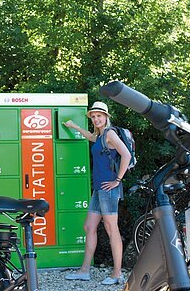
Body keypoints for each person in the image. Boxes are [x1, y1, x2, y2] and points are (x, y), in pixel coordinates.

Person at [63, 101, 131, 285]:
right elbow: (91, 138)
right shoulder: (100, 136)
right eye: (93, 116)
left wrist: (117, 180)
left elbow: (126, 155)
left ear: (106, 116)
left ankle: (117, 274)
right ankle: (84, 271)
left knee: (111, 229)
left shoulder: (110, 133)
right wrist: (74, 126)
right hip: (99, 188)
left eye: (99, 116)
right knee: (89, 227)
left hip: (109, 189)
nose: (95, 119)